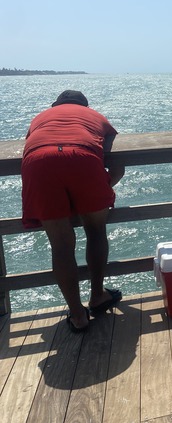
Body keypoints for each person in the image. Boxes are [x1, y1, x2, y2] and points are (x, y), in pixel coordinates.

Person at [21, 90, 125, 333]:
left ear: (56, 104)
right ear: (85, 106)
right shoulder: (95, 116)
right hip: (82, 157)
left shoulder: (41, 116)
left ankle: (78, 315)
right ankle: (98, 295)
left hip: (38, 162)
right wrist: (105, 184)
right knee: (96, 231)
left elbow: (34, 142)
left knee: (60, 245)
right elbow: (116, 157)